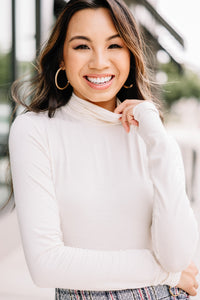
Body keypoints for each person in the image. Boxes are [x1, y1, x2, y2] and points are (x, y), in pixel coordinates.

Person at [9, 0, 199, 299]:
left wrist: (162, 144)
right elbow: (46, 264)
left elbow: (177, 255)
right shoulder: (35, 130)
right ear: (61, 58)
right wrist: (168, 274)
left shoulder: (147, 133)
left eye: (115, 46)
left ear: (131, 55)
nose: (99, 62)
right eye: (82, 46)